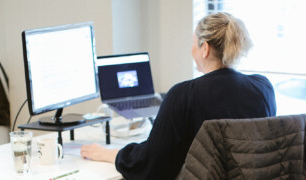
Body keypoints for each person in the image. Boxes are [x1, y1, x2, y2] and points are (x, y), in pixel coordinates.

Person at [81, 12, 277, 180]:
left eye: (193, 42)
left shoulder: (184, 95)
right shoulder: (263, 88)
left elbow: (152, 166)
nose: (192, 48)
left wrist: (110, 154)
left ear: (205, 48)